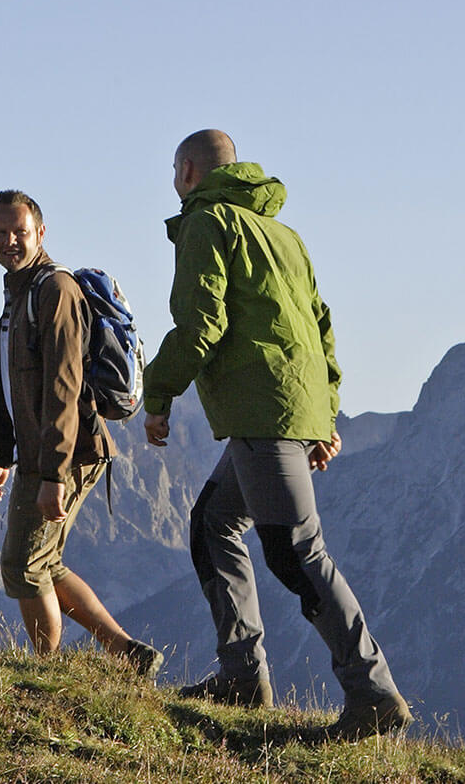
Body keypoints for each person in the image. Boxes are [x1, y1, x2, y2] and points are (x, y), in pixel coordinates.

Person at [142, 130, 410, 740]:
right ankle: (242, 677)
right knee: (213, 523)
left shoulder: (208, 223)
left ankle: (373, 691)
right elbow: (321, 325)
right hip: (286, 409)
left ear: (186, 171)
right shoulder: (286, 236)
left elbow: (201, 324)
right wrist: (326, 412)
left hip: (263, 414)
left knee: (297, 552)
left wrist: (157, 396)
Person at [0, 189, 163, 678]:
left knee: (23, 566)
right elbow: (3, 379)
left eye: (20, 232)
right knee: (45, 562)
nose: (10, 241)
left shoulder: (54, 291)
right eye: (1, 233)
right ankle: (127, 653)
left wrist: (54, 473)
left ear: (41, 233)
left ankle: (48, 672)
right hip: (44, 453)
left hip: (67, 454)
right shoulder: (18, 296)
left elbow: (63, 386)